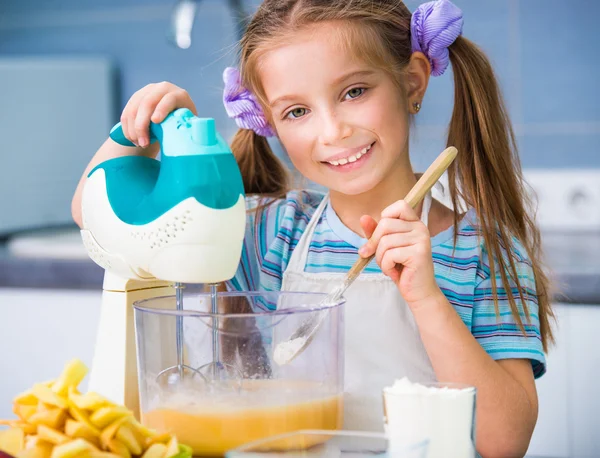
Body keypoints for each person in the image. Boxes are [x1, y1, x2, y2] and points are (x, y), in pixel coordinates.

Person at [71, 0, 555, 455]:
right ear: (270, 124)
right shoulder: (271, 232)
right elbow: (97, 219)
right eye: (297, 111)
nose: (332, 131)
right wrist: (142, 132)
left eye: (354, 92)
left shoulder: (484, 251)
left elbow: (503, 441)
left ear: (412, 83)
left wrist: (427, 299)